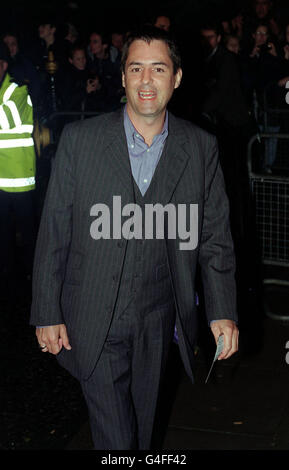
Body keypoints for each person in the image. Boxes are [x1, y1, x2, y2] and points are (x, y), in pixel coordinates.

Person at [30, 26, 239, 450]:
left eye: (158, 69)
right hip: (92, 315)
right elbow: (54, 230)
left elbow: (215, 237)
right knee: (117, 440)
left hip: (158, 318)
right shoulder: (81, 142)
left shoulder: (200, 148)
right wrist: (46, 309)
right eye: (136, 69)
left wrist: (222, 310)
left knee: (143, 434)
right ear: (123, 77)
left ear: (176, 78)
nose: (146, 81)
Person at [0, 42, 36, 291]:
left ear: (2, 65)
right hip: (2, 179)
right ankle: (7, 278)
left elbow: (7, 118)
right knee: (3, 234)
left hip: (21, 179)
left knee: (28, 232)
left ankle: (36, 279)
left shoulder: (17, 91)